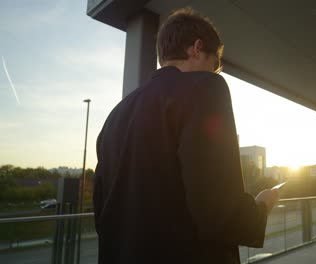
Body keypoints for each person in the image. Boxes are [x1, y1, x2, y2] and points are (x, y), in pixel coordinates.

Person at [93, 7, 279, 264]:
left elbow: (102, 213)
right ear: (197, 48)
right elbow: (219, 211)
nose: (214, 74)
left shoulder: (115, 116)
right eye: (213, 66)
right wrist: (261, 208)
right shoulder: (204, 88)